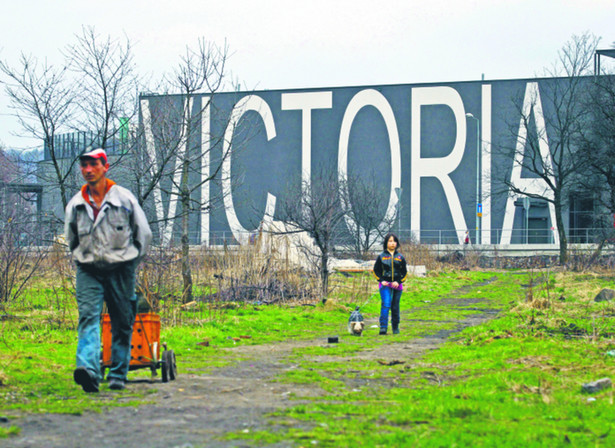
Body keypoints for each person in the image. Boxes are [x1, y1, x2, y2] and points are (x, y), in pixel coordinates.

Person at [65, 148, 152, 392]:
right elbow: (71, 239)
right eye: (84, 165)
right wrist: (82, 260)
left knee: (122, 321)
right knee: (88, 319)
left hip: (121, 269)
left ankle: (117, 374)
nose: (88, 170)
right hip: (89, 270)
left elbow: (143, 234)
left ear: (105, 166)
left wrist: (130, 263)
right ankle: (89, 371)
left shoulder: (124, 199)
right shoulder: (76, 204)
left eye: (93, 165)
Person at [373, 233, 408, 335]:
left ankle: (395, 327)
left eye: (394, 241)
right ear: (386, 243)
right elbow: (376, 271)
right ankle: (383, 327)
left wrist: (398, 282)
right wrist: (381, 280)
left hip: (397, 286)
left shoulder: (400, 257)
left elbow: (404, 273)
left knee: (395, 306)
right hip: (385, 285)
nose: (392, 243)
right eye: (390, 241)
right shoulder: (381, 257)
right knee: (386, 304)